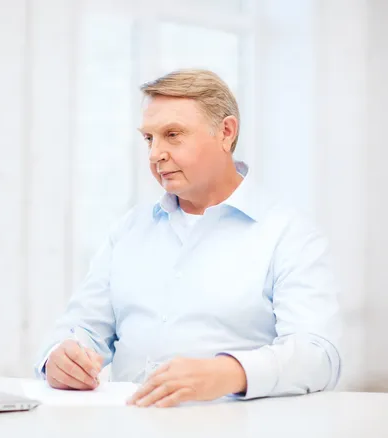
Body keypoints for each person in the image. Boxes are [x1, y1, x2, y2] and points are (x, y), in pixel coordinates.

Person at [34, 69, 342, 408]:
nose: (155, 155)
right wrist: (57, 359)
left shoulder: (289, 234)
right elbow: (82, 329)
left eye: (173, 135)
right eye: (149, 139)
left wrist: (228, 373)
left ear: (226, 133)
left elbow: (319, 355)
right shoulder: (129, 230)